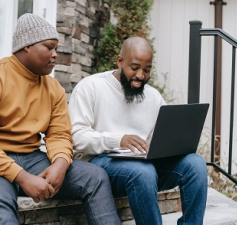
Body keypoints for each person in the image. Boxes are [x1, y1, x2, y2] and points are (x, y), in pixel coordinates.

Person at [0, 13, 121, 225]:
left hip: (33, 158)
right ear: (26, 45)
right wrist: (22, 177)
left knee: (96, 177)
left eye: (56, 48)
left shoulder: (53, 87)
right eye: (49, 47)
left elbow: (59, 133)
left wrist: (61, 164)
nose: (55, 54)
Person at [68, 37, 208, 225]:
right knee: (143, 172)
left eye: (147, 70)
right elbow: (77, 136)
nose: (141, 76)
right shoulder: (91, 87)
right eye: (134, 68)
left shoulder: (153, 96)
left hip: (141, 164)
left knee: (195, 164)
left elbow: (163, 136)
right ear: (120, 61)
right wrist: (119, 140)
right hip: (100, 162)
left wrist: (171, 146)